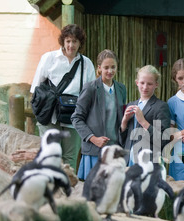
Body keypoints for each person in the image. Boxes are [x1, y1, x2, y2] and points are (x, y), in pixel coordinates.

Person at [30, 24, 96, 172]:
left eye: (74, 41)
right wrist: (41, 112)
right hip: (50, 116)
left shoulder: (87, 64)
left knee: (70, 158)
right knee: (49, 157)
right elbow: (36, 88)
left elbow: (90, 95)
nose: (71, 45)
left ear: (80, 43)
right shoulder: (49, 58)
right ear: (63, 41)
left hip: (73, 118)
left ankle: (67, 191)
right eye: (68, 41)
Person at [71, 49, 127, 180]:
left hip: (114, 150)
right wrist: (93, 139)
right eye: (106, 67)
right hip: (94, 151)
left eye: (113, 67)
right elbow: (76, 118)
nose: (110, 71)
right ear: (99, 68)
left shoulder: (121, 89)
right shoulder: (90, 88)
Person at [119, 65, 171, 165]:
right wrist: (124, 121)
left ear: (156, 84)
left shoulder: (161, 107)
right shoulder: (131, 104)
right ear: (137, 83)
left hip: (149, 162)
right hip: (128, 160)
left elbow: (163, 140)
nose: (145, 87)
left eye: (150, 84)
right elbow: (122, 140)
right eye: (142, 83)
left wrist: (143, 122)